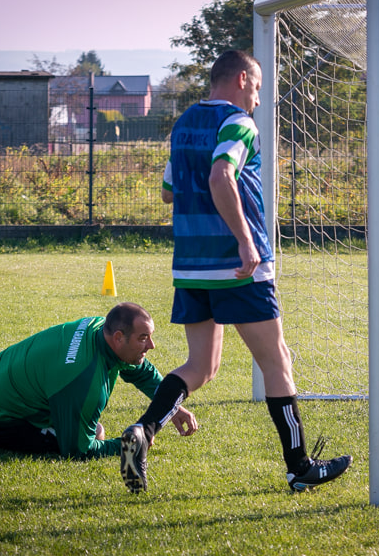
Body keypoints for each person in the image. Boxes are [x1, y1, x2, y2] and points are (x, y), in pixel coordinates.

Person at [119, 50, 352, 493]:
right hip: (238, 265)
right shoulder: (239, 122)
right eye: (258, 88)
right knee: (276, 362)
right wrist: (246, 241)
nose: (259, 100)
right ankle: (300, 466)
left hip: (191, 265)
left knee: (201, 367)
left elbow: (169, 193)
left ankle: (143, 431)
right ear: (243, 79)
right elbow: (221, 176)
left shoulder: (184, 122)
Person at [0, 302, 197, 459]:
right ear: (119, 338)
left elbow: (142, 372)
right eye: (143, 338)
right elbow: (79, 450)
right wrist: (127, 445)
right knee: (96, 432)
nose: (151, 346)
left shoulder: (100, 328)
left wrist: (170, 405)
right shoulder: (82, 380)